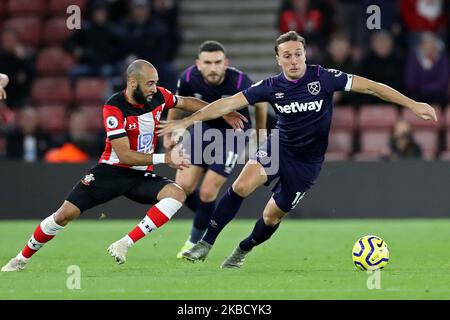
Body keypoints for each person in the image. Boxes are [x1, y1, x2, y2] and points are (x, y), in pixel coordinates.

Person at [157, 31, 437, 269]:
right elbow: (226, 104)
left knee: (271, 216)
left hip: (307, 163)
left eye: (298, 54)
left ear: (305, 54)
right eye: (287, 56)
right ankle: (205, 243)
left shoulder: (324, 78)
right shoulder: (269, 86)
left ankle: (243, 249)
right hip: (279, 147)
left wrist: (413, 105)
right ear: (278, 59)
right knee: (240, 186)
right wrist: (187, 120)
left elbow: (373, 88)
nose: (293, 60)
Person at [0, 59, 247, 272]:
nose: (155, 88)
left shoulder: (159, 96)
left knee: (176, 194)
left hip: (141, 175)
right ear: (132, 82)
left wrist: (221, 112)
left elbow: (185, 102)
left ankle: (124, 244)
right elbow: (125, 156)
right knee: (64, 216)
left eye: (155, 82)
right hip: (111, 172)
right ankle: (20, 259)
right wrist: (165, 159)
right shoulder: (114, 107)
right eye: (149, 83)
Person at [164, 40, 267, 258]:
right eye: (208, 62)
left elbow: (260, 103)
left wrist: (260, 131)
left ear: (226, 63)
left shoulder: (240, 80)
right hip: (202, 129)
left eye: (218, 62)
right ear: (198, 64)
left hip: (234, 134)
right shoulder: (188, 78)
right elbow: (178, 104)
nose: (213, 67)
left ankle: (193, 243)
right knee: (181, 188)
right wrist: (170, 133)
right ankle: (207, 213)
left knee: (209, 190)